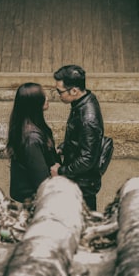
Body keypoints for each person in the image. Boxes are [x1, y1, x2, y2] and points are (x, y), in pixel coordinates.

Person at [49, 64, 104, 210]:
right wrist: (64, 148)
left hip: (83, 183)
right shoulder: (82, 101)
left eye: (59, 92)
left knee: (84, 221)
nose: (58, 95)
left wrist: (61, 171)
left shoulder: (87, 118)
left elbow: (87, 159)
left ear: (74, 90)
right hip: (79, 177)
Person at [6, 82, 60, 203]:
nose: (47, 98)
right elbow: (42, 182)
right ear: (34, 104)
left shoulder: (27, 124)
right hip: (35, 199)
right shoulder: (31, 140)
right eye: (42, 97)